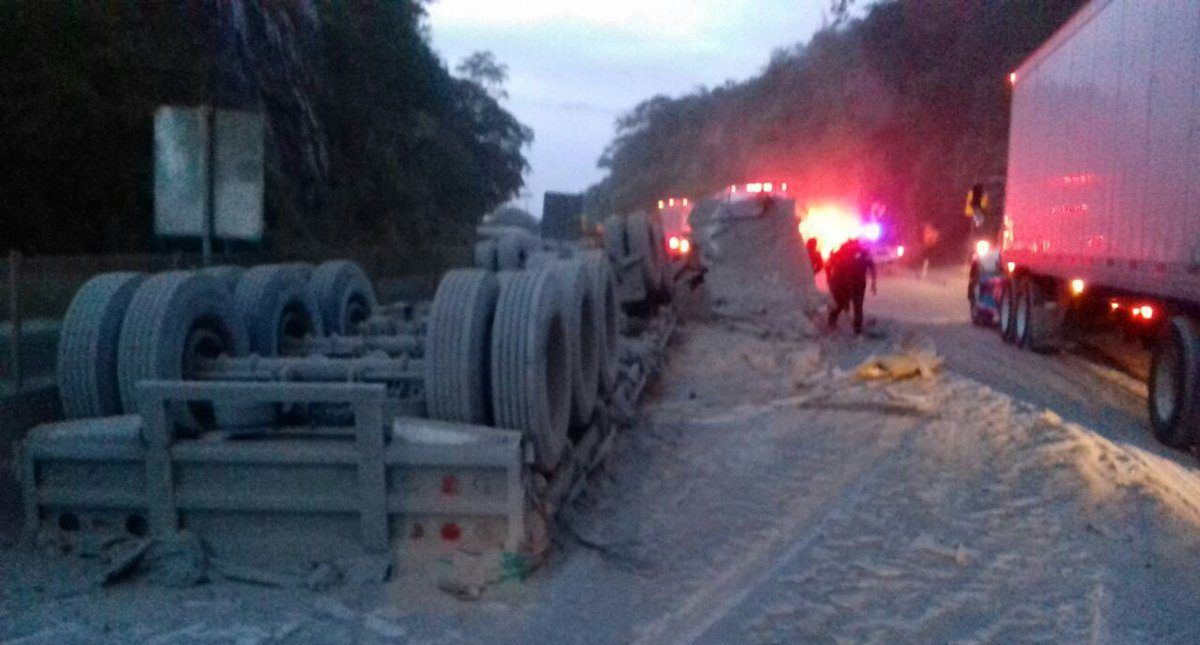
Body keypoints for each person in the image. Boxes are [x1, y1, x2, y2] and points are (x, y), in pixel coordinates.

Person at [826, 237, 877, 335]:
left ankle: (832, 322)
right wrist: (873, 282)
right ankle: (856, 328)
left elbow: (829, 265)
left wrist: (831, 278)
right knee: (856, 305)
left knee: (841, 303)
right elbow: (871, 266)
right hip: (855, 283)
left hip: (846, 283)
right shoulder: (862, 253)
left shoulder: (843, 252)